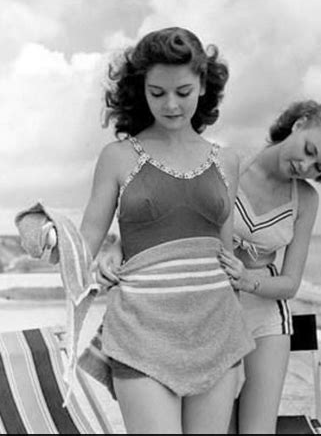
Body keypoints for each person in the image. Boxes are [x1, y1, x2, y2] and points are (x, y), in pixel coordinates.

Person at [50, 27, 256, 434]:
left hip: (217, 333)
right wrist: (81, 259)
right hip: (141, 334)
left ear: (203, 85)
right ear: (139, 90)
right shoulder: (117, 157)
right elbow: (86, 242)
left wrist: (240, 345)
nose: (171, 104)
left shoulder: (227, 161)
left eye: (183, 91)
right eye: (157, 92)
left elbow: (224, 252)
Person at [216, 100, 321, 433]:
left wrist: (245, 279)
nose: (306, 165)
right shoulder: (230, 162)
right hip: (212, 306)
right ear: (299, 124)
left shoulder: (305, 199)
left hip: (265, 314)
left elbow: (290, 283)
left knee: (257, 430)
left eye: (319, 167)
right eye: (309, 149)